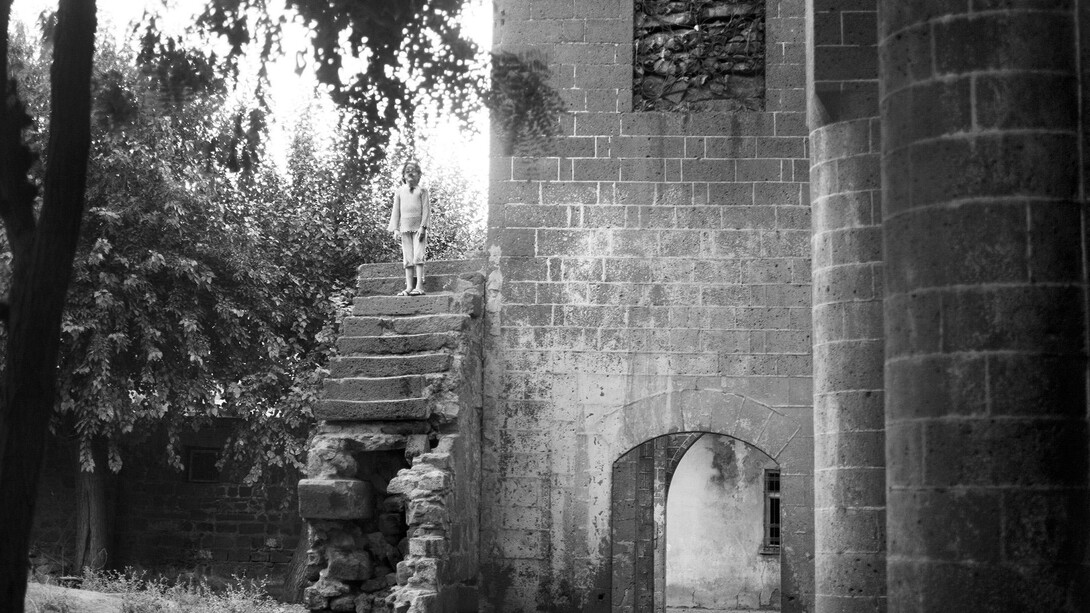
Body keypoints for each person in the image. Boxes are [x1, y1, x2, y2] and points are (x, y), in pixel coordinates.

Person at [388, 161, 430, 295]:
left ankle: (419, 286)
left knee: (418, 256)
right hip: (405, 228)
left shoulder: (422, 191)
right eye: (407, 171)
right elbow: (396, 211)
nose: (410, 173)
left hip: (419, 229)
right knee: (408, 258)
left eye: (414, 171)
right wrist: (395, 228)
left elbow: (426, 210)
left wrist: (423, 227)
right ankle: (409, 287)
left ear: (419, 175)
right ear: (403, 175)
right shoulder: (400, 191)